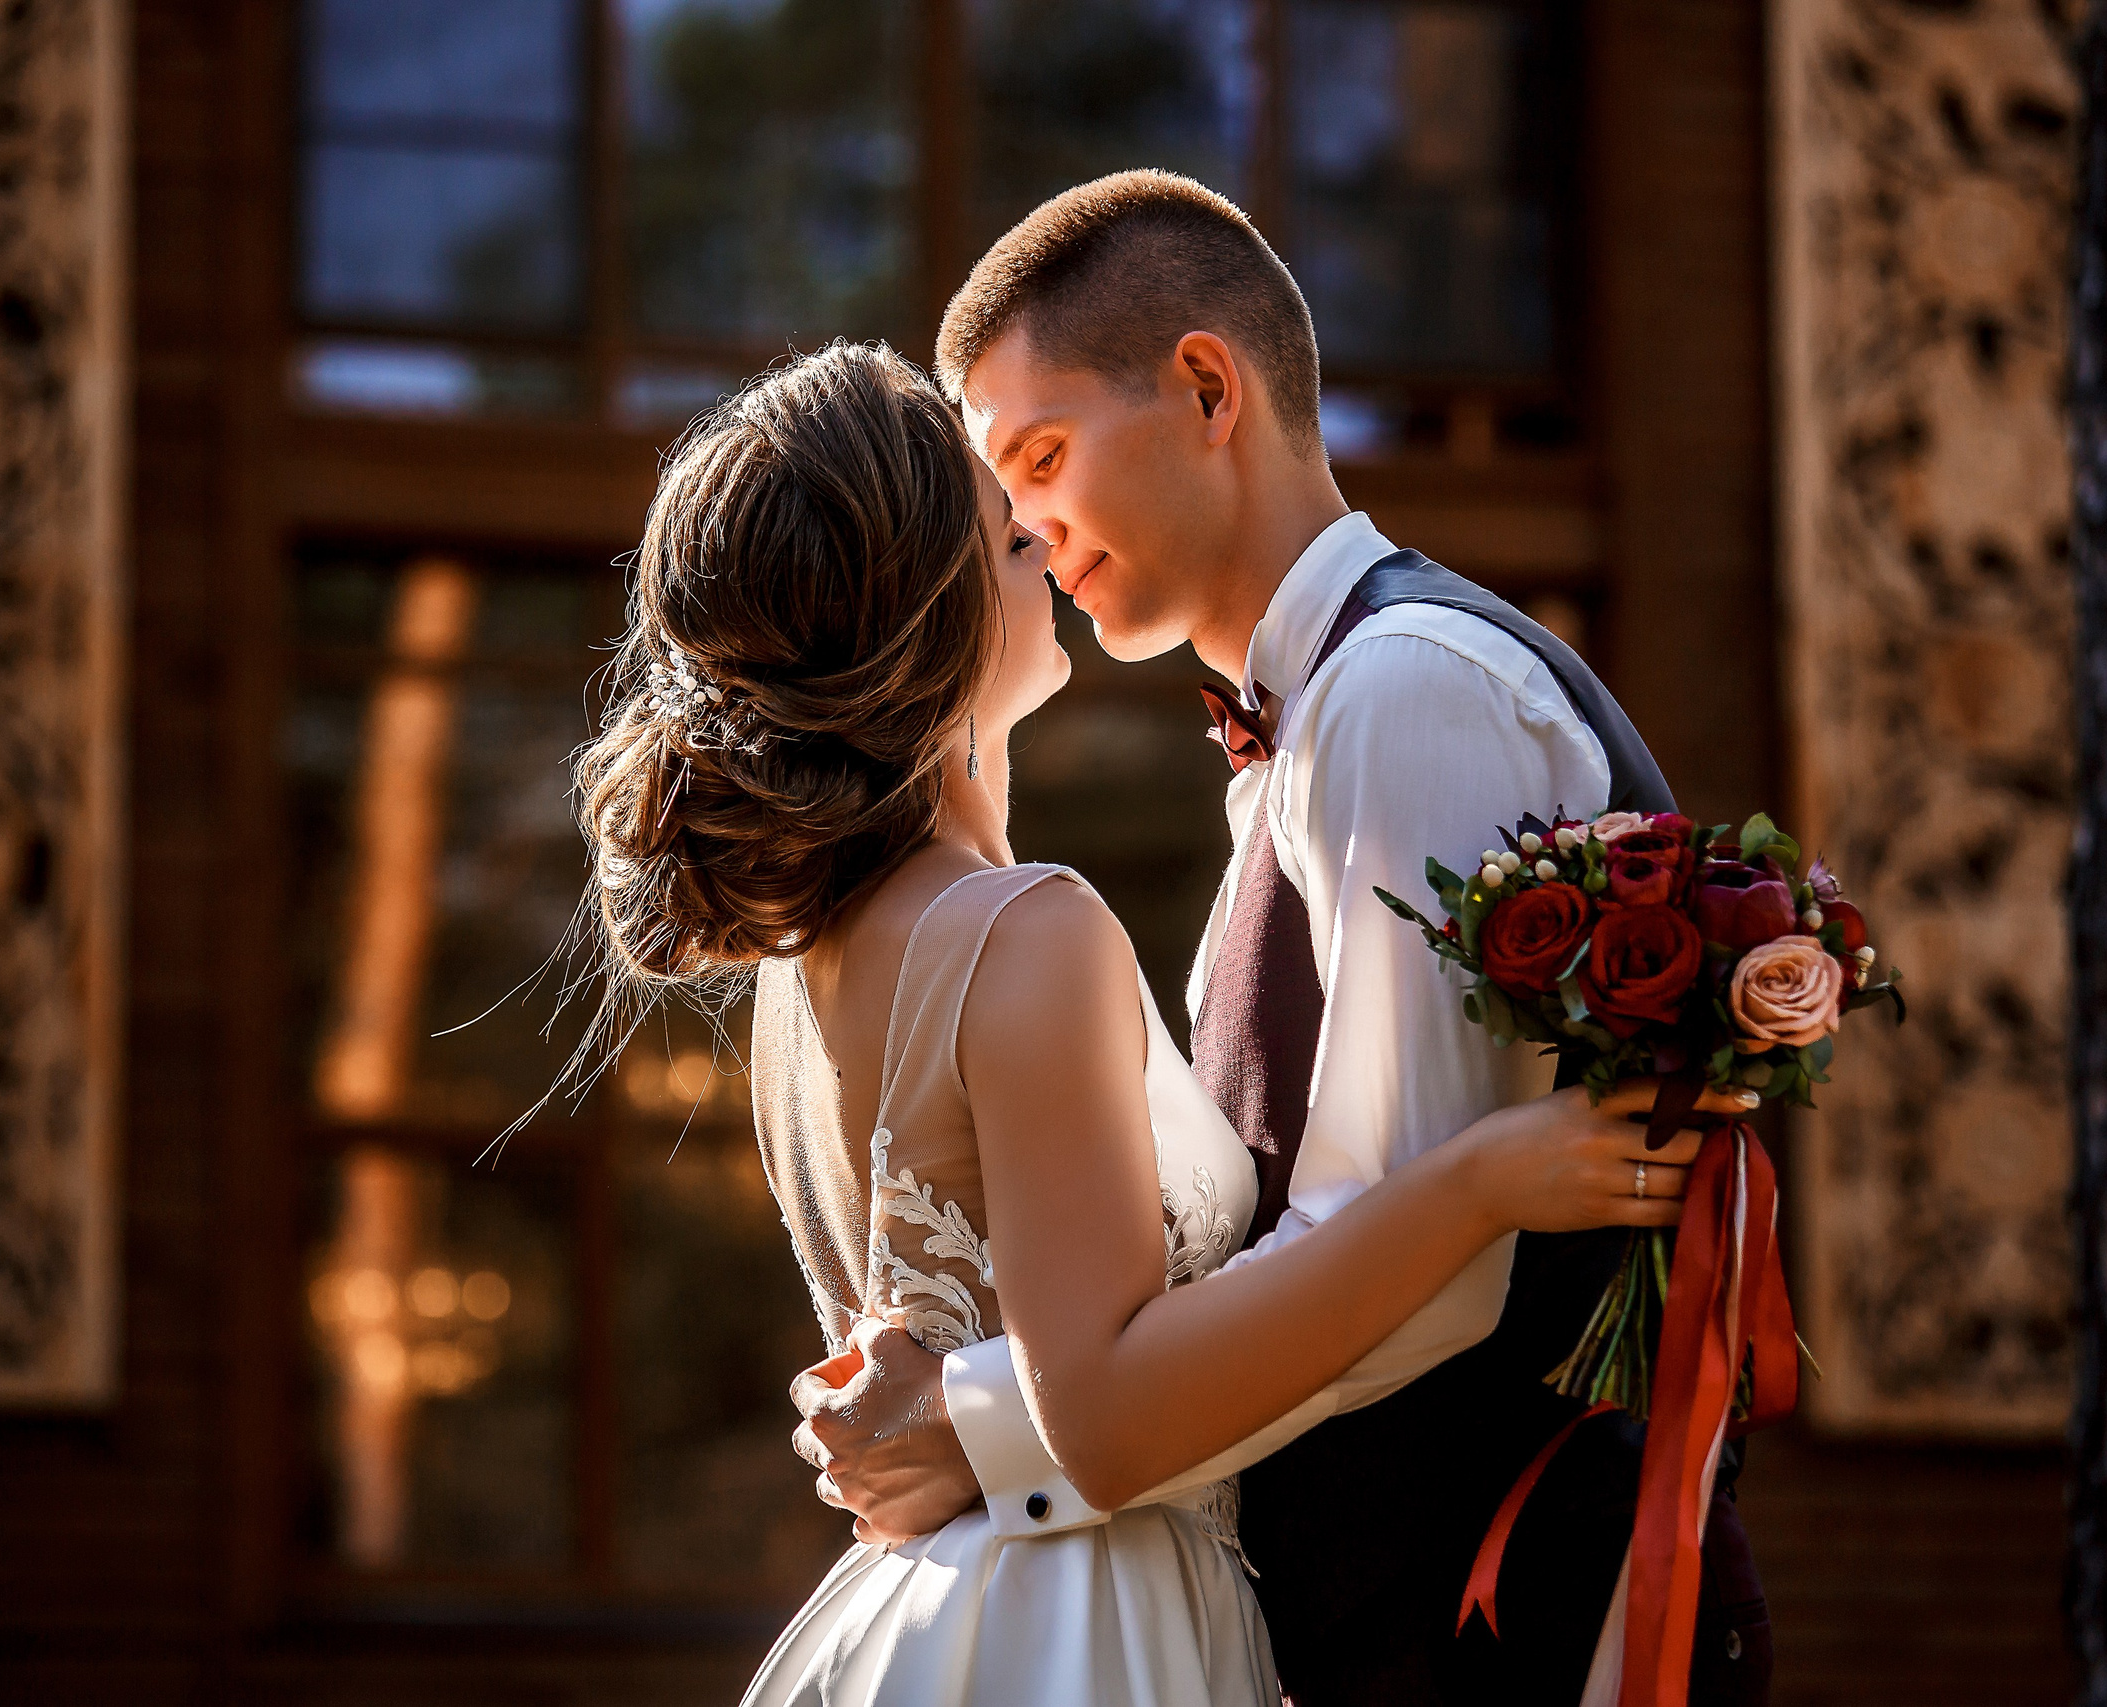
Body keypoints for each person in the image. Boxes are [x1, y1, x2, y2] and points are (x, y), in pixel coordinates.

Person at [574, 337, 1739, 1706]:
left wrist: (970, 1426)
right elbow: (1112, 1415)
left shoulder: (799, 972)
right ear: (920, 603)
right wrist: (1478, 1181)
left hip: (936, 1616)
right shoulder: (1026, 929)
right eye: (1000, 511)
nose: (1038, 529)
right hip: (1081, 1626)